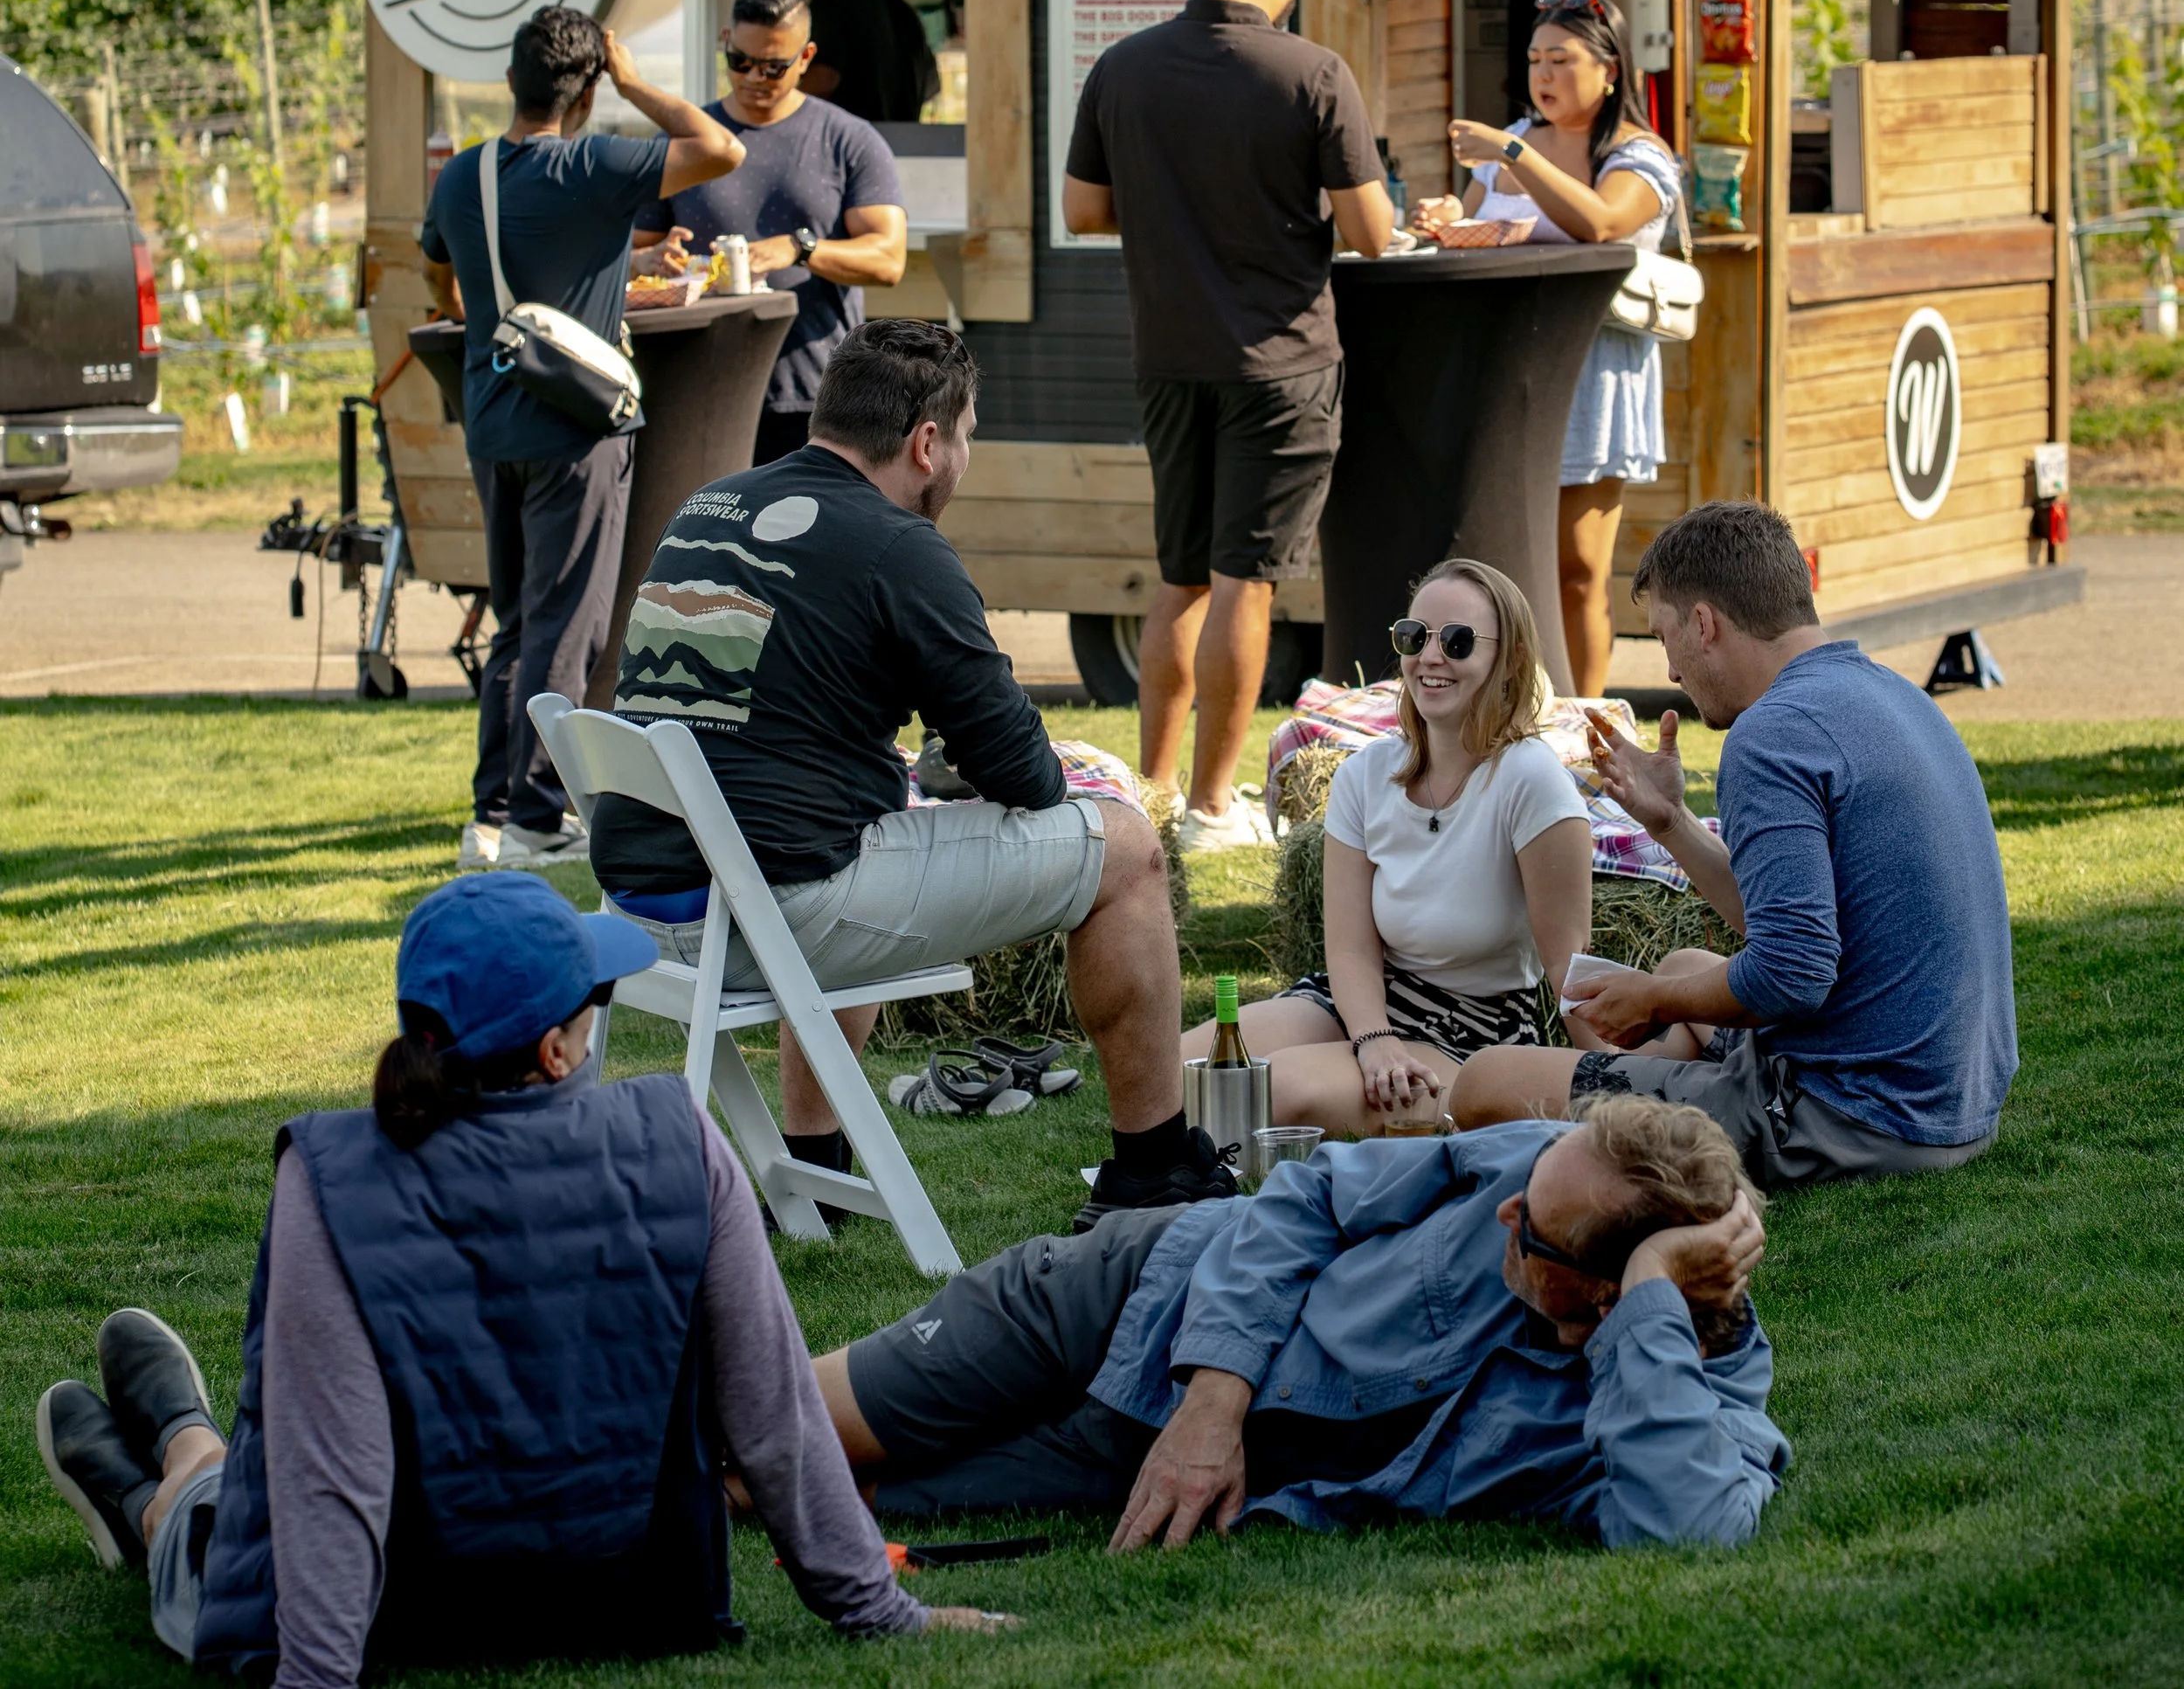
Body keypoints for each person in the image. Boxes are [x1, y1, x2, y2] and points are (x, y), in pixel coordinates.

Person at [33, 873, 1012, 1677]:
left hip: (396, 1607)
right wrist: (876, 1608)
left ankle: (167, 1470)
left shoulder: (330, 1178)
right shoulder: (681, 1140)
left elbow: (331, 1470)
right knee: (231, 1477)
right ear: (553, 1052)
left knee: (208, 1500)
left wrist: (318, 1675)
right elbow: (774, 1412)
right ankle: (176, 1446)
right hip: (618, 1593)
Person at [589, 317, 1237, 1227]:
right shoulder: (898, 546)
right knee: (1126, 849)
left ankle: (815, 1164)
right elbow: (1024, 774)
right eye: (966, 436)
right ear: (927, 442)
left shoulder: (711, 503)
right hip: (761, 919)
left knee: (858, 819)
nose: (963, 459)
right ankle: (1155, 1166)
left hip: (644, 912)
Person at [812, 1098, 1782, 1551]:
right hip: (1138, 1291)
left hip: (1121, 1462)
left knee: (792, 1488)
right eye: (1526, 1186)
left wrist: (1651, 1297)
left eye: (1530, 1228)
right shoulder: (1536, 1162)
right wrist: (1211, 1405)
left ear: (1607, 1293)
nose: (1506, 1209)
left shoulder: (1703, 1405)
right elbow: (1305, 1194)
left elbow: (1682, 1533)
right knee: (779, 1428)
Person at [1454, 500, 2019, 1188]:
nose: (1671, 671)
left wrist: (1654, 1000)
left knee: (1484, 1081)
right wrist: (1671, 821)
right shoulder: (1893, 694)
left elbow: (1792, 975)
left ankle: (1652, 1112)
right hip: (1954, 1103)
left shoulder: (1769, 735)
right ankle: (1658, 1092)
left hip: (1852, 1116)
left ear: (1703, 623)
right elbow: (1791, 928)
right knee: (1686, 961)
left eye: (1664, 637)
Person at [1062, 0, 1396, 853]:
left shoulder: (1122, 66)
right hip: (1281, 364)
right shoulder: (1313, 71)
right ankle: (1213, 808)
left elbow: (1083, 211)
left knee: (1181, 580)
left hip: (1169, 358)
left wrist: (1177, 215)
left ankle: (1158, 791)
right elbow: (1372, 232)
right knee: (1245, 583)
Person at [1185, 557, 1686, 1139]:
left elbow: (1565, 966)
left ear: (1510, 659)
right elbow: (1350, 950)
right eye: (1414, 636)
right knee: (1188, 1073)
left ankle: (1657, 1064)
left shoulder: (1532, 780)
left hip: (1473, 1029)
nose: (1430, 656)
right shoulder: (1363, 775)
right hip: (1365, 1001)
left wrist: (1617, 1081)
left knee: (1272, 1090)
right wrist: (1374, 1039)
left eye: (1457, 641)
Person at [419, 7, 743, 872]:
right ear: (590, 89)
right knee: (569, 627)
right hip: (576, 429)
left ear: (510, 80)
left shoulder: (464, 175)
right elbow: (720, 149)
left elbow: (444, 278)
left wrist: (618, 270)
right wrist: (635, 81)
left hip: (493, 420)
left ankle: (493, 813)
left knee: (519, 622)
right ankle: (537, 816)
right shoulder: (594, 164)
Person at [1424, 0, 1683, 700]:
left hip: (1592, 371)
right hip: (1503, 364)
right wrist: (1445, 215)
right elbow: (1474, 223)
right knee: (1502, 561)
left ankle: (1584, 722)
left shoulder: (1638, 153)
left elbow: (1600, 222)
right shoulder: (1514, 138)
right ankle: (1502, 719)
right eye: (1536, 59)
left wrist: (1513, 151)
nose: (1543, 74)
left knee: (1577, 568)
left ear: (1609, 69)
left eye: (1562, 60)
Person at [632, 0, 909, 463]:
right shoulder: (684, 143)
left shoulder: (848, 140)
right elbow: (632, 258)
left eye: (774, 66)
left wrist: (801, 248)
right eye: (740, 61)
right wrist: (654, 261)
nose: (755, 77)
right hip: (695, 390)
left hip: (817, 397)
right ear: (725, 42)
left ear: (806, 57)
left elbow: (888, 259)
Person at [805, 0, 942, 124]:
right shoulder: (905, 13)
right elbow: (931, 87)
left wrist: (784, 108)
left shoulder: (832, 0)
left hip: (850, 134)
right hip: (902, 136)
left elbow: (823, 80)